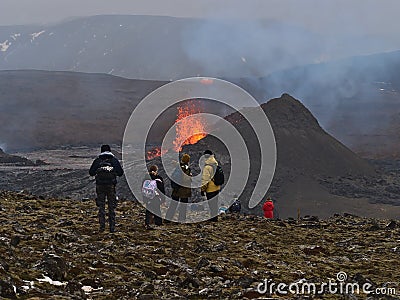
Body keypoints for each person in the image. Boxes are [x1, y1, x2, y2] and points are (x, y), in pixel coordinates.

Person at [89, 145, 124, 233]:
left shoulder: (98, 160)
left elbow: (91, 172)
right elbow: (120, 173)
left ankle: (102, 227)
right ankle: (112, 228)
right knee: (111, 207)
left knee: (101, 206)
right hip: (111, 186)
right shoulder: (114, 160)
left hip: (100, 186)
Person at [165, 153, 192, 222]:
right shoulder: (187, 168)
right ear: (188, 161)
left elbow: (175, 177)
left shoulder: (179, 167)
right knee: (183, 205)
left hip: (177, 189)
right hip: (185, 189)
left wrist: (175, 187)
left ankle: (168, 218)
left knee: (173, 204)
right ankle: (181, 219)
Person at [201, 150, 221, 222]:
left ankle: (213, 218)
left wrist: (202, 190)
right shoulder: (215, 164)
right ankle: (215, 218)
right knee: (215, 203)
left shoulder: (207, 167)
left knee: (211, 204)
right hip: (217, 187)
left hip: (210, 189)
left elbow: (205, 180)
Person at [142, 165, 165, 229]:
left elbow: (143, 188)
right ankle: (158, 223)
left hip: (147, 196)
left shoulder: (145, 178)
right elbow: (161, 190)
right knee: (157, 209)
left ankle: (147, 222)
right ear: (156, 171)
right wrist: (163, 199)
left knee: (148, 210)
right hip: (155, 197)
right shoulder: (158, 179)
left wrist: (144, 199)